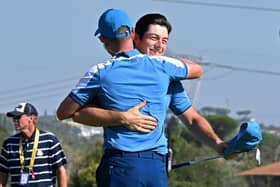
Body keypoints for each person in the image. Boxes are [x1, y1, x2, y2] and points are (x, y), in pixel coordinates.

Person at [56, 9, 223, 187]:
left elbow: (64, 113)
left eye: (164, 40)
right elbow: (197, 71)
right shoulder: (164, 67)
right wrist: (220, 144)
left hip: (120, 165)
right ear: (135, 34)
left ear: (103, 39)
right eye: (154, 38)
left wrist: (120, 117)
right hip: (155, 167)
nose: (159, 45)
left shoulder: (100, 72)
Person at [0, 102, 67, 187]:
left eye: (18, 117)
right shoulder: (8, 144)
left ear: (31, 118)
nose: (15, 120)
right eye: (14, 117)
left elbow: (61, 171)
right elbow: (2, 174)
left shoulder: (49, 140)